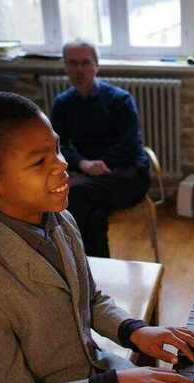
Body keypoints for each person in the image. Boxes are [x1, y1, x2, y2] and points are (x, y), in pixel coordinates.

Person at [0, 91, 194, 383]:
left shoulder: (62, 220)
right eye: (39, 162)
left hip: (100, 381)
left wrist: (135, 331)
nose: (62, 165)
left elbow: (90, 300)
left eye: (57, 150)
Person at [51, 40, 150, 258]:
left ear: (96, 65)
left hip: (126, 175)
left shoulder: (120, 100)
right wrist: (84, 164)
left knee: (73, 194)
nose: (79, 70)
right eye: (72, 63)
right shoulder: (62, 104)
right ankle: (98, 273)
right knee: (94, 215)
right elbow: (58, 145)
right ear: (65, 66)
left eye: (85, 63)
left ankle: (82, 269)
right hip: (88, 178)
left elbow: (130, 146)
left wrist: (99, 164)